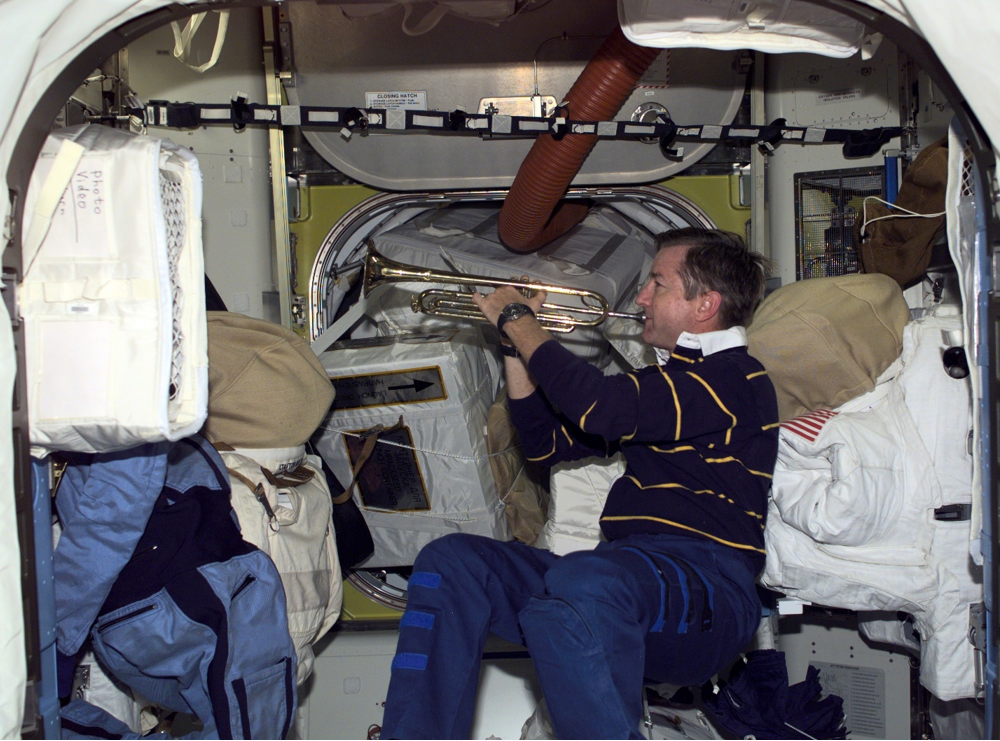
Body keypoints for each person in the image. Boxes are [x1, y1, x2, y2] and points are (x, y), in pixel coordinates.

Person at [380, 228, 779, 739]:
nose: (640, 297)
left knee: (586, 579)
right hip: (625, 581)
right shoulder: (666, 383)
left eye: (657, 283)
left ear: (706, 304)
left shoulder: (735, 378)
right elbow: (546, 444)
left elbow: (600, 407)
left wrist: (521, 321)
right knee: (450, 563)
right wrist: (512, 348)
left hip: (710, 593)